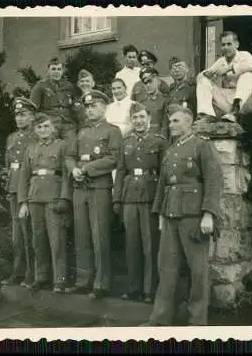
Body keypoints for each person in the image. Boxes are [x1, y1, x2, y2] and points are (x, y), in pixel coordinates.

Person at [143, 104, 223, 326]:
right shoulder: (170, 150)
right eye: (170, 122)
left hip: (193, 216)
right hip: (170, 214)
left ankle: (197, 322)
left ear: (189, 122)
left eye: (176, 121)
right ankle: (160, 319)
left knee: (198, 272)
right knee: (166, 268)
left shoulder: (202, 146)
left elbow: (214, 180)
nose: (171, 125)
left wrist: (209, 214)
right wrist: (159, 213)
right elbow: (163, 184)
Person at [65, 90, 123, 299]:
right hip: (80, 188)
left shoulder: (112, 131)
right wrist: (73, 170)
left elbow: (113, 159)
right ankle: (83, 281)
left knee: (100, 236)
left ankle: (101, 283)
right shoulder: (81, 132)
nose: (89, 110)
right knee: (81, 235)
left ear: (104, 107)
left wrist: (87, 168)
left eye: (94, 106)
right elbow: (70, 156)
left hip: (99, 188)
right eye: (87, 107)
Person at [112, 102, 168, 304]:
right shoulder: (125, 142)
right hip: (129, 197)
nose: (138, 121)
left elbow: (164, 174)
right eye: (135, 118)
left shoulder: (159, 141)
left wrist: (161, 201)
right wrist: (117, 199)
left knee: (150, 244)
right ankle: (133, 287)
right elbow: (120, 171)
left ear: (149, 119)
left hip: (150, 197)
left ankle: (150, 289)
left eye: (142, 117)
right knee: (131, 244)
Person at [17, 113, 72, 293]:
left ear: (53, 128)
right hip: (35, 197)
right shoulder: (30, 148)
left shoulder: (62, 146)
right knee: (38, 240)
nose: (43, 130)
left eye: (46, 126)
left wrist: (65, 197)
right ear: (35, 130)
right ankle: (41, 277)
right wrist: (23, 202)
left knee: (57, 240)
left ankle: (60, 280)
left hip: (54, 196)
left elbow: (66, 174)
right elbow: (24, 175)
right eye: (40, 127)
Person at [1, 97, 39, 288]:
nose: (19, 118)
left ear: (32, 116)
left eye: (23, 114)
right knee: (16, 235)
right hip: (14, 187)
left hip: (29, 189)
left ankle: (32, 274)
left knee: (28, 233)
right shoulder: (12, 138)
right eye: (17, 115)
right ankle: (17, 272)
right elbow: (9, 164)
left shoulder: (36, 137)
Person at [195, 31, 252, 123]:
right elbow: (201, 77)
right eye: (223, 45)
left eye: (229, 44)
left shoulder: (245, 55)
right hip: (229, 101)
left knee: (248, 74)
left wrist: (229, 68)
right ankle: (206, 115)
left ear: (237, 44)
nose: (226, 47)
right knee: (203, 79)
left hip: (249, 101)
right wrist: (209, 73)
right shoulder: (221, 61)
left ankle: (235, 112)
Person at [30, 57, 77, 138]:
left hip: (67, 124)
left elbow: (74, 106)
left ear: (62, 71)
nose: (56, 72)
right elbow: (32, 109)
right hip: (50, 124)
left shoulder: (68, 86)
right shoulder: (40, 86)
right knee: (50, 147)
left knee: (71, 145)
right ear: (48, 71)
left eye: (59, 69)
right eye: (53, 69)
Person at [138, 67, 170, 138]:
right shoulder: (142, 103)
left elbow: (165, 124)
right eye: (145, 83)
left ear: (157, 81)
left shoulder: (165, 100)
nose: (148, 85)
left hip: (159, 137)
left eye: (150, 81)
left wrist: (161, 138)